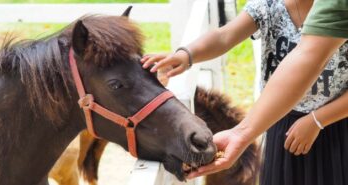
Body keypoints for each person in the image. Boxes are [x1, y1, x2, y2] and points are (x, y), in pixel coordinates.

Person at [141, 0, 348, 184]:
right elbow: (224, 36)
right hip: (277, 121)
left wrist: (317, 120)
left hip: (336, 125)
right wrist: (187, 55)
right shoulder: (268, 6)